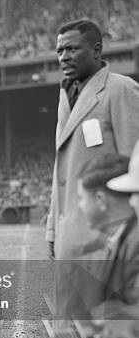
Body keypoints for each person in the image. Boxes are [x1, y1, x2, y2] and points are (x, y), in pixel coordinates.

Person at [45, 19, 139, 319]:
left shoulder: (121, 90)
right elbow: (61, 170)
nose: (63, 57)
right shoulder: (66, 96)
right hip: (70, 237)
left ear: (96, 50)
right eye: (59, 51)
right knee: (70, 332)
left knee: (103, 331)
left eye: (72, 49)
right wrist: (51, 229)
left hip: (105, 242)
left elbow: (134, 168)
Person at [45, 153, 139, 338]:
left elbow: (131, 325)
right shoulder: (121, 240)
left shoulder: (134, 241)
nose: (132, 202)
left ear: (100, 200)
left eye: (81, 198)